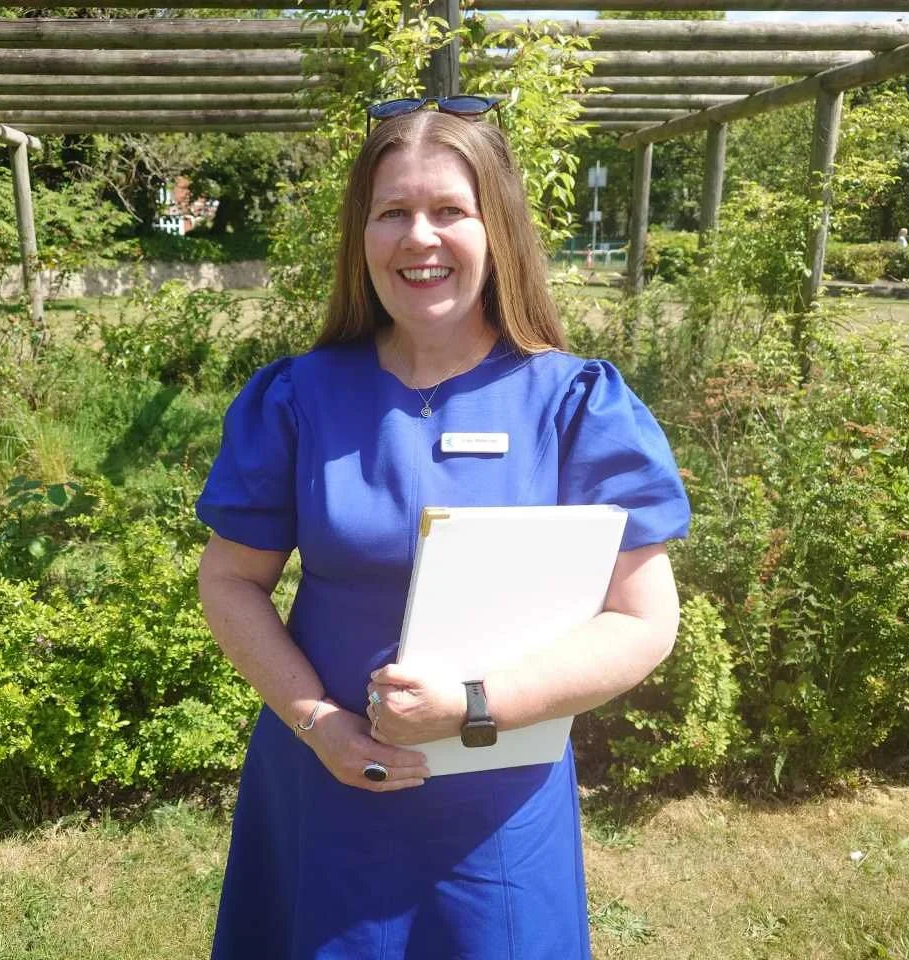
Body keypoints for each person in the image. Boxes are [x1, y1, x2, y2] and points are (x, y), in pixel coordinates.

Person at [195, 99, 691, 960]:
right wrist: (319, 723)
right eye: (393, 212)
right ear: (362, 234)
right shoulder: (296, 398)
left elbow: (645, 619)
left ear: (496, 226)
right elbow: (230, 580)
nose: (418, 238)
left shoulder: (577, 404)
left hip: (494, 818)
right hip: (323, 787)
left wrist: (472, 708)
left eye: (449, 211)